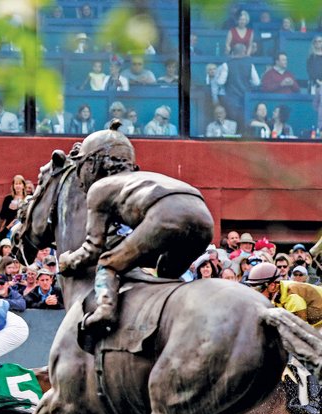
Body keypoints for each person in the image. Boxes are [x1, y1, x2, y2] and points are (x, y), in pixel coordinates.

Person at [58, 124, 214, 331]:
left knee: (108, 263)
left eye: (81, 169)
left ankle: (105, 311)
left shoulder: (100, 188)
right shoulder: (142, 178)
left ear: (92, 164)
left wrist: (67, 261)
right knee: (166, 274)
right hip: (203, 219)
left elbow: (93, 248)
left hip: (165, 215)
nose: (80, 180)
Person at [246, 263, 322, 328]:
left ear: (272, 285)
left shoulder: (291, 296)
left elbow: (302, 329)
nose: (256, 294)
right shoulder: (278, 293)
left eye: (258, 289)